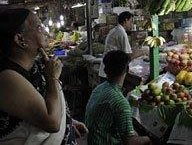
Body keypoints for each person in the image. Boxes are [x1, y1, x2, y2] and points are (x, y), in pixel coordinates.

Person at [0, 8, 88, 144]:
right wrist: (53, 78)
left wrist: (68, 121)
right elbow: (52, 122)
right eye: (39, 27)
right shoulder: (7, 78)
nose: (46, 32)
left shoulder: (34, 66)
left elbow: (38, 107)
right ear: (20, 39)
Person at [85, 50, 151, 145]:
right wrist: (148, 139)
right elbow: (129, 142)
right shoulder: (120, 101)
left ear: (105, 70)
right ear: (127, 70)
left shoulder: (99, 88)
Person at [98, 11, 146, 79]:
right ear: (126, 20)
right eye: (131, 21)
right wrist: (144, 52)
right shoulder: (121, 32)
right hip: (110, 71)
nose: (132, 24)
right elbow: (128, 56)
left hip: (107, 69)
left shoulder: (115, 30)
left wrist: (136, 50)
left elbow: (122, 50)